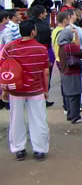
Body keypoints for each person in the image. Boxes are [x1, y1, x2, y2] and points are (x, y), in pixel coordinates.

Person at [1, 20, 50, 161]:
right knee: (39, 119)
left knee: (16, 119)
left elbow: (4, 69)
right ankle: (39, 150)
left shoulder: (10, 48)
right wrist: (45, 89)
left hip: (15, 90)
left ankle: (19, 149)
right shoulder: (41, 49)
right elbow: (45, 72)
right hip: (36, 90)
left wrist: (4, 90)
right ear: (33, 32)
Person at [57, 28, 82, 124]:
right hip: (72, 73)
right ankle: (75, 117)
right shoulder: (70, 47)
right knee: (75, 95)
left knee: (68, 95)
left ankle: (70, 115)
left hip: (64, 73)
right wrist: (77, 35)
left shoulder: (61, 47)